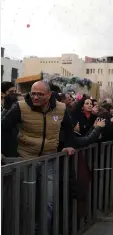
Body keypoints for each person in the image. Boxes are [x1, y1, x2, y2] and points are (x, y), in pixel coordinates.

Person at [1, 80, 75, 233]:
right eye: (33, 93)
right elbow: (3, 127)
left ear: (49, 95)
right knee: (27, 202)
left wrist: (68, 144)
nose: (35, 97)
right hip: (26, 159)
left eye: (40, 94)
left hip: (49, 159)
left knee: (48, 202)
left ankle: (43, 231)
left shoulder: (61, 108)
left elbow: (69, 127)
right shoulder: (20, 107)